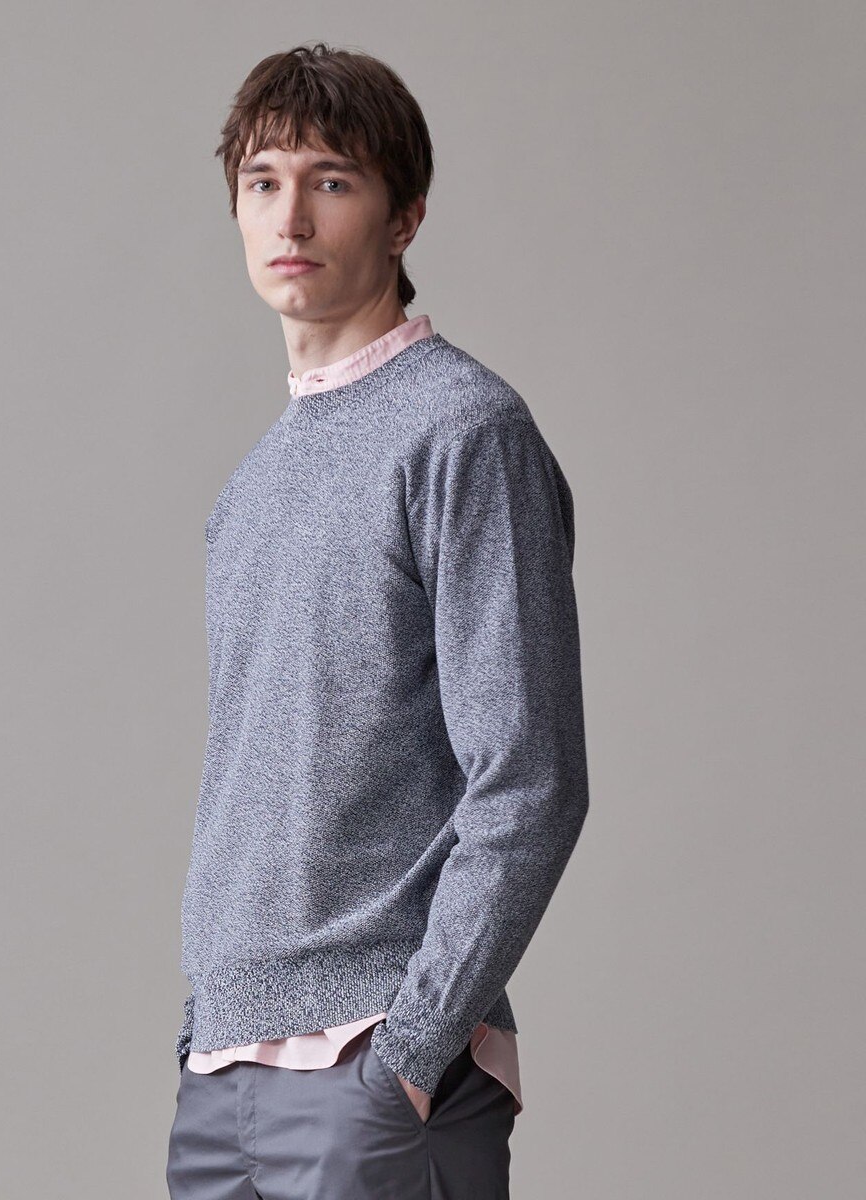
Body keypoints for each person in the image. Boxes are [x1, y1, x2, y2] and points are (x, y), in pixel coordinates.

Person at [166, 42, 590, 1200]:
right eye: (262, 182)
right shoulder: (249, 488)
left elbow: (530, 780)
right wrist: (207, 1027)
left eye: (332, 181)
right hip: (220, 1077)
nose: (290, 215)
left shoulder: (464, 433)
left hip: (376, 1068)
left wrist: (410, 1052)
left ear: (403, 218)